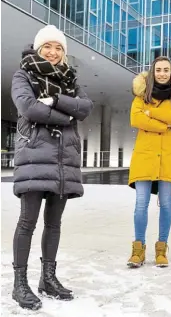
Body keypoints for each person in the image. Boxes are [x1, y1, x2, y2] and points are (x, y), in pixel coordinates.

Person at [11, 25, 93, 310]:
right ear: (38, 48)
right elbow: (28, 108)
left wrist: (56, 100)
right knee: (27, 222)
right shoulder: (24, 74)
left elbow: (85, 107)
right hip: (35, 156)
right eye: (48, 46)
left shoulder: (70, 79)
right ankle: (19, 283)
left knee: (54, 224)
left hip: (63, 160)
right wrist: (65, 117)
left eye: (59, 48)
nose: (53, 52)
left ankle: (48, 278)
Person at [127, 56, 171, 268]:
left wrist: (151, 113)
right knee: (140, 205)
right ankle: (138, 250)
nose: (162, 73)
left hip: (169, 158)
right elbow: (136, 119)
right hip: (145, 157)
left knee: (166, 205)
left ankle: (161, 249)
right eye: (158, 70)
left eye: (166, 70)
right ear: (152, 73)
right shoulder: (140, 98)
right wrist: (164, 124)